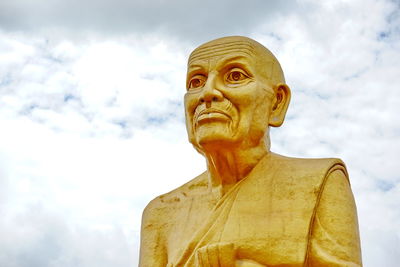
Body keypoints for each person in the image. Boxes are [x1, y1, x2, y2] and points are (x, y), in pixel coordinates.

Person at [139, 36, 362, 266]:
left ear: (277, 103)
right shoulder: (161, 212)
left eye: (235, 76)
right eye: (196, 82)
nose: (208, 92)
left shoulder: (317, 182)